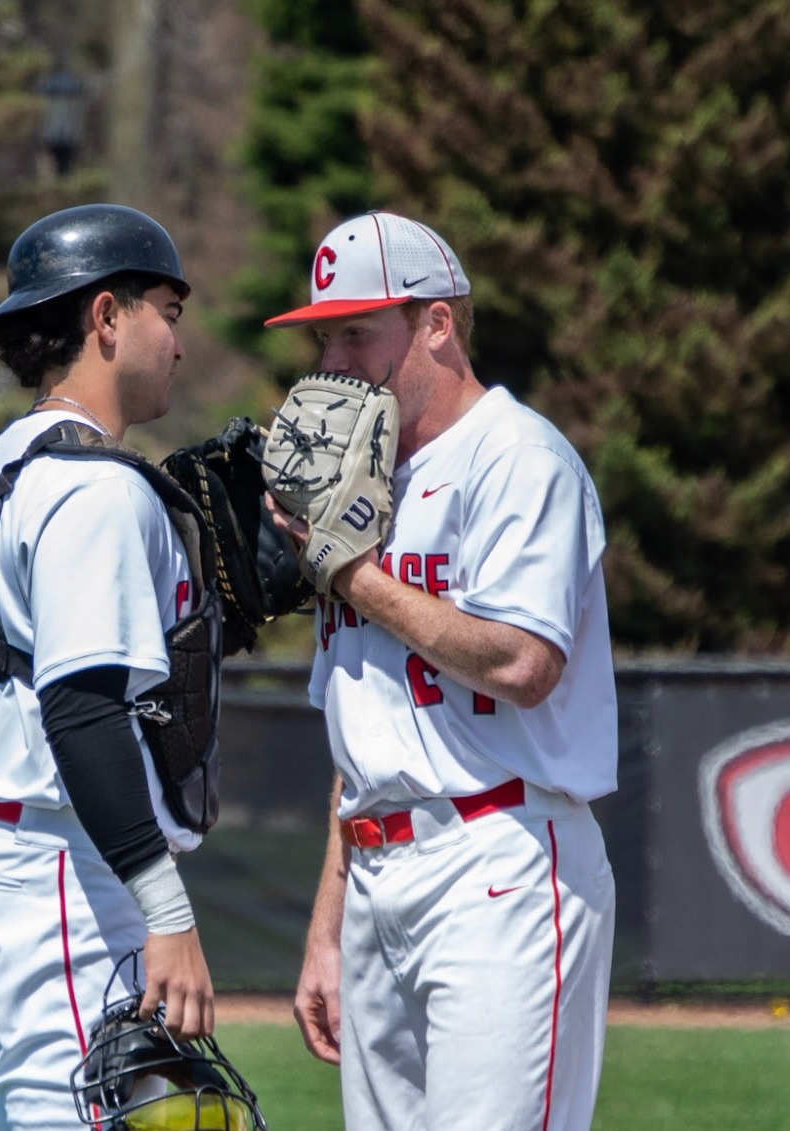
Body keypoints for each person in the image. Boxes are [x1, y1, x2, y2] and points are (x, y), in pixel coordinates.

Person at [265, 211, 619, 1131]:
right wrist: (325, 928)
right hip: (379, 869)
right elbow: (363, 735)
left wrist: (352, 576)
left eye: (358, 330)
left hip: (497, 857)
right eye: (325, 334)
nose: (335, 357)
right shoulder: (363, 485)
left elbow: (521, 660)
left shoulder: (518, 457)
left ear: (436, 324)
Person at [0, 203, 221, 1131]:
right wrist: (166, 910)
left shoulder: (1, 465)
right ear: (105, 317)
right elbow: (83, 709)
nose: (178, 340)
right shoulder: (93, 487)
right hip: (55, 873)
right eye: (165, 310)